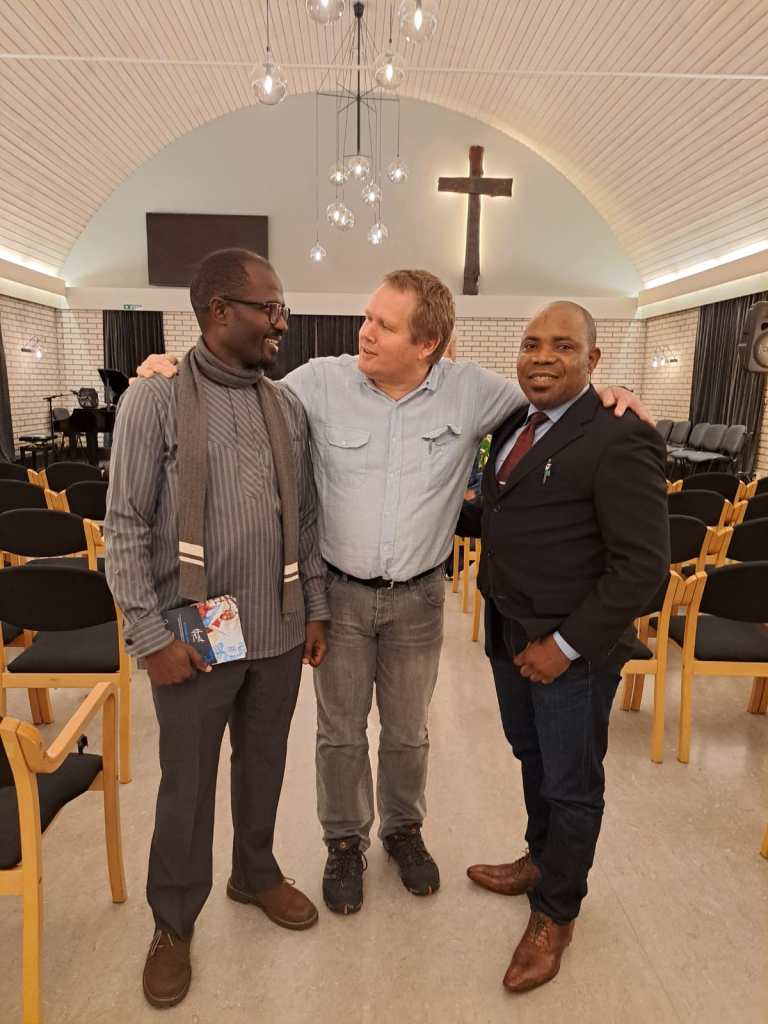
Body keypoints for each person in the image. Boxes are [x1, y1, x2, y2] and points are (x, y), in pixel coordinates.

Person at [138, 270, 650, 917]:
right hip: (340, 598)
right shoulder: (319, 383)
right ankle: (343, 841)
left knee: (408, 732)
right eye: (367, 317)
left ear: (427, 343)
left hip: (419, 599)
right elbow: (239, 400)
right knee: (340, 732)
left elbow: (554, 403)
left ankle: (404, 830)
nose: (365, 332)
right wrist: (172, 373)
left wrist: (609, 393)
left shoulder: (474, 392)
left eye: (383, 324)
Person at [105, 248, 330, 1009]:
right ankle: (173, 920)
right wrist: (149, 636)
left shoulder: (285, 406)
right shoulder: (156, 399)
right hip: (199, 625)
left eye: (282, 309)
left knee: (264, 763)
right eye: (270, 309)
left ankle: (254, 871)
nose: (280, 323)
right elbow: (125, 524)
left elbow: (305, 518)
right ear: (218, 311)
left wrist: (315, 608)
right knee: (189, 782)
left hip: (277, 623)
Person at [458, 301, 669, 993]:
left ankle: (557, 912)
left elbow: (644, 571)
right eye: (530, 344)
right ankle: (540, 858)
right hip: (509, 633)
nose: (542, 357)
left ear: (594, 360)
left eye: (562, 346)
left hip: (570, 654)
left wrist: (567, 645)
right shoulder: (514, 425)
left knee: (573, 783)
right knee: (533, 758)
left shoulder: (620, 435)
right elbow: (506, 512)